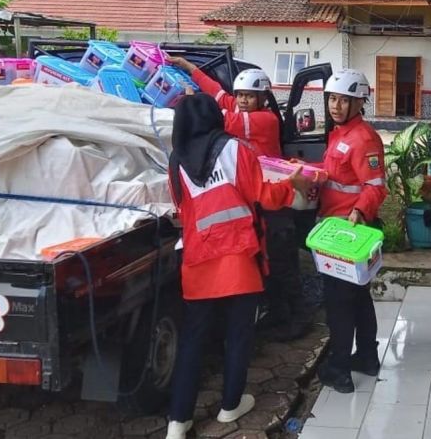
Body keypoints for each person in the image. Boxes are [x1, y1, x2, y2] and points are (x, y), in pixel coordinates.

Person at [165, 94, 312, 439]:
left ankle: (177, 421)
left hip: (199, 259)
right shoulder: (235, 149)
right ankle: (231, 405)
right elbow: (262, 194)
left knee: (193, 340)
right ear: (215, 117)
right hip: (239, 257)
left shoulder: (176, 160)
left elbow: (180, 208)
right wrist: (292, 187)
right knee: (238, 334)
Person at [168, 56, 310, 341]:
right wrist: (190, 68)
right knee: (267, 263)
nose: (243, 100)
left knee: (282, 262)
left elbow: (220, 119)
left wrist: (190, 108)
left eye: (249, 96)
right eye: (241, 95)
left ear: (262, 99)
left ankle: (299, 317)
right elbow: (218, 94)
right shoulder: (240, 109)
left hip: (274, 200)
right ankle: (279, 312)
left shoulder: (264, 120)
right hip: (256, 200)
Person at [315, 69, 388, 393]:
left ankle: (339, 369)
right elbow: (334, 175)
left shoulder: (363, 138)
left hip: (348, 232)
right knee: (358, 298)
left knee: (339, 303)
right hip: (336, 227)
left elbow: (375, 186)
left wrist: (359, 211)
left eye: (345, 100)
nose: (336, 106)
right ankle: (367, 358)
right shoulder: (341, 134)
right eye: (332, 99)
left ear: (360, 103)